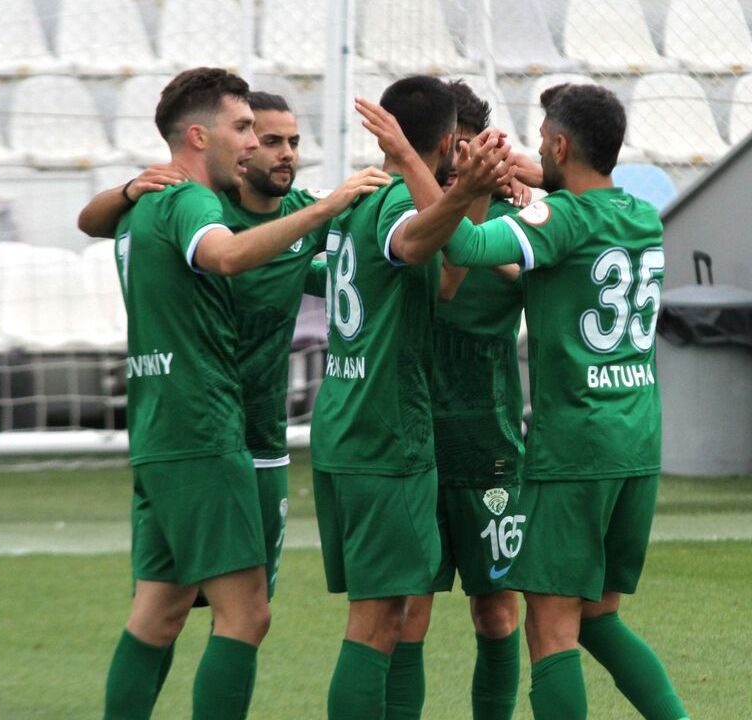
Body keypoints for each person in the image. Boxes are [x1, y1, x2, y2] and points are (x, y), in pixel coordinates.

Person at [97, 67, 389, 720]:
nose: (258, 143)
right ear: (200, 137)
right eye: (246, 128)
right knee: (247, 615)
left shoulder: (143, 205)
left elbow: (95, 220)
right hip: (204, 429)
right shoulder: (192, 204)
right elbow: (227, 256)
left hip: (168, 429)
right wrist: (328, 207)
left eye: (278, 136)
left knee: (160, 610)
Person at [437, 82, 690, 720]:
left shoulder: (563, 219)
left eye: (543, 138)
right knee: (598, 616)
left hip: (577, 446)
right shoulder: (641, 215)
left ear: (558, 145)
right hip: (637, 442)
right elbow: (551, 267)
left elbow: (463, 247)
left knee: (550, 628)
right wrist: (528, 180)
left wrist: (468, 187)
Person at [309, 74, 511, 719]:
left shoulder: (358, 197)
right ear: (450, 143)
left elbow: (447, 279)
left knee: (392, 616)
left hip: (349, 423)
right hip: (384, 433)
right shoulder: (396, 200)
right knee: (377, 624)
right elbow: (414, 242)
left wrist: (472, 195)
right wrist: (468, 193)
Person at [79, 91, 335, 601]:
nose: (284, 153)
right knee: (239, 611)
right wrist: (127, 189)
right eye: (264, 138)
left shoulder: (302, 215)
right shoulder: (202, 210)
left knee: (182, 609)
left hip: (258, 432)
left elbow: (368, 253)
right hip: (207, 429)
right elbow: (94, 221)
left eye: (293, 141)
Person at [375, 79, 527, 720]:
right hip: (412, 438)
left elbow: (545, 272)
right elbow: (439, 279)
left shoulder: (520, 220)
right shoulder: (401, 215)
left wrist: (505, 191)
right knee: (407, 611)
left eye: (471, 148)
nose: (459, 161)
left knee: (496, 611)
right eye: (451, 148)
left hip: (490, 442)